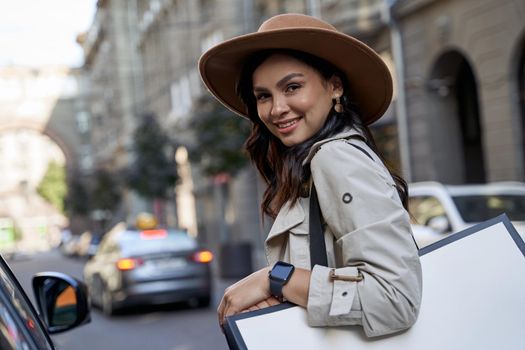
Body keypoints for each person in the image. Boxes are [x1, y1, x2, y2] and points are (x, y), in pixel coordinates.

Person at [198, 13, 422, 338]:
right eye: (263, 96)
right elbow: (329, 276)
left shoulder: (336, 157)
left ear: (334, 86)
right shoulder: (304, 167)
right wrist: (279, 297)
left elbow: (394, 299)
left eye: (292, 87)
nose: (276, 109)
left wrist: (275, 279)